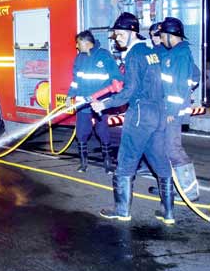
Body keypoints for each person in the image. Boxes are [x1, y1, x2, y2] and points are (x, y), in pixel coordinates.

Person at [91, 12, 175, 224]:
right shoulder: (150, 51)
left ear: (131, 32)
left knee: (126, 161)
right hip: (158, 112)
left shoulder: (134, 55)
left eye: (119, 34)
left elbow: (130, 91)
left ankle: (122, 211)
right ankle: (168, 214)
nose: (117, 38)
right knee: (159, 161)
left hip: (140, 113)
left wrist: (105, 103)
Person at [147, 17, 201, 202]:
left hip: (173, 112)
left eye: (162, 36)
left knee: (173, 149)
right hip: (166, 109)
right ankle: (171, 187)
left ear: (171, 35)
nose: (160, 40)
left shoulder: (180, 55)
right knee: (163, 148)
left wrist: (172, 111)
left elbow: (179, 88)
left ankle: (190, 192)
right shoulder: (175, 53)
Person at [66, 31, 122, 173]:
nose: (77, 47)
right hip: (83, 103)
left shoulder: (104, 56)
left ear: (85, 42)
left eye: (78, 44)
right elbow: (75, 81)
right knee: (81, 132)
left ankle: (108, 164)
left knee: (103, 131)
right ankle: (83, 164)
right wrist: (70, 96)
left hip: (100, 104)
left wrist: (113, 97)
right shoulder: (79, 59)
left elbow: (115, 77)